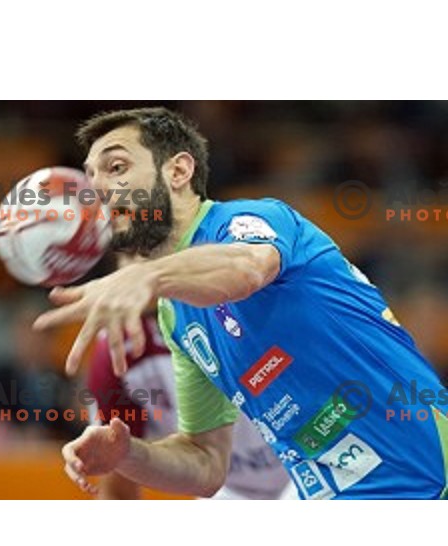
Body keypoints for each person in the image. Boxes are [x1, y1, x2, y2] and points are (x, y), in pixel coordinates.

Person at [34, 107, 448, 499]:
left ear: (178, 170)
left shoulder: (252, 219)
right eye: (90, 176)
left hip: (426, 476)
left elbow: (247, 268)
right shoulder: (175, 315)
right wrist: (127, 456)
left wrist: (146, 275)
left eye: (117, 168)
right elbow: (206, 463)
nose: (97, 190)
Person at [87, 311, 290, 500]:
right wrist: (128, 453)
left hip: (311, 460)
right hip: (227, 490)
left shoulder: (270, 302)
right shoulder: (119, 350)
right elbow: (118, 490)